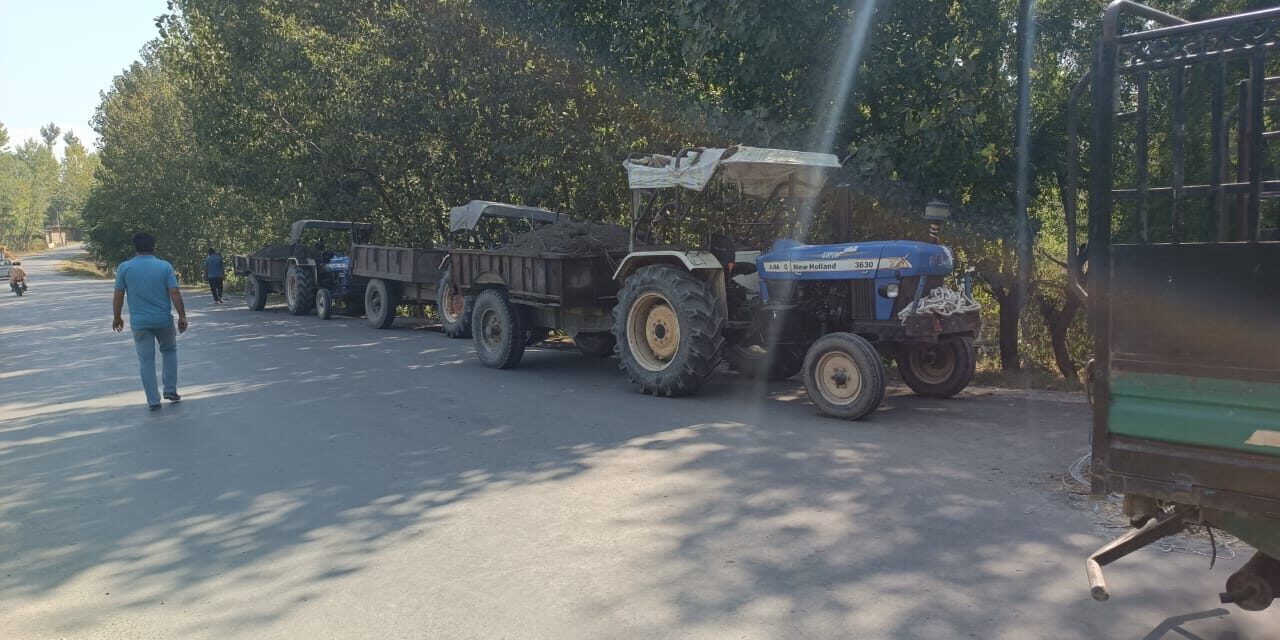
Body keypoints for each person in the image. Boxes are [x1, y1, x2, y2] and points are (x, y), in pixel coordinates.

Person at [113, 232, 188, 411]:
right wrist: (182, 316)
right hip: (163, 320)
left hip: (140, 323)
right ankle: (170, 389)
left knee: (146, 361)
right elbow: (175, 292)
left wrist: (117, 317)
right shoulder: (164, 266)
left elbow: (118, 295)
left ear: (135, 247)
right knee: (169, 351)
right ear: (153, 246)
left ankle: (153, 400)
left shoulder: (125, 267)